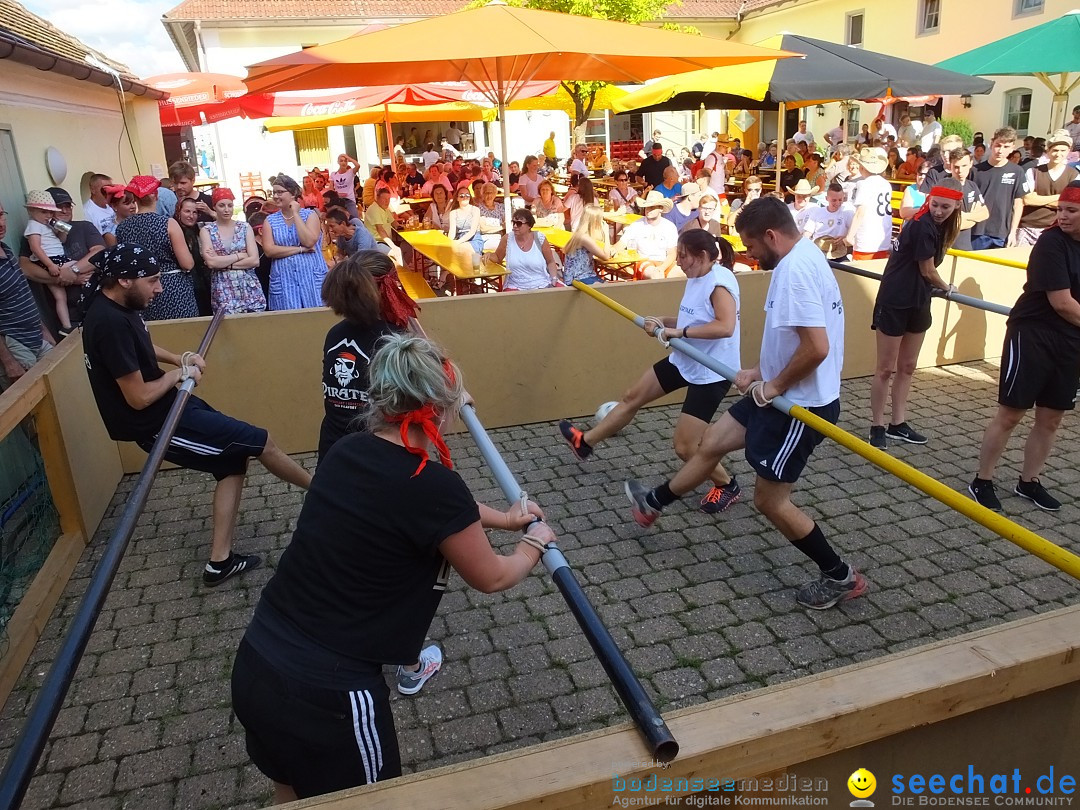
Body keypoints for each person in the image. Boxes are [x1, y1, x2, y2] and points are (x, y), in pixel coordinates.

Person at [233, 332, 554, 803]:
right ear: (438, 410)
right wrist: (533, 543)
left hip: (258, 662)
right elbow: (493, 576)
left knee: (296, 792)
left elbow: (441, 507)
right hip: (328, 695)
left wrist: (506, 518)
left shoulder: (350, 451)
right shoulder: (431, 484)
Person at [624, 196, 864, 610]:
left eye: (752, 246)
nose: (749, 255)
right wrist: (759, 372)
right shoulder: (802, 256)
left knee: (770, 502)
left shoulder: (795, 272)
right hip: (776, 390)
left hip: (799, 407)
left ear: (771, 235)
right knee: (712, 442)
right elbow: (797, 341)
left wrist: (774, 387)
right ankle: (654, 503)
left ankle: (840, 575)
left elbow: (817, 348)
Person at [81, 243, 312, 585]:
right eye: (154, 280)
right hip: (156, 423)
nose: (160, 287)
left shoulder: (119, 306)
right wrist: (179, 375)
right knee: (260, 441)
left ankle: (219, 562)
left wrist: (178, 359)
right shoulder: (108, 323)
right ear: (125, 280)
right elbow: (139, 398)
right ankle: (325, 493)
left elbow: (141, 343)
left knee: (232, 460)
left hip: (171, 406)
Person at [563, 227, 743, 506]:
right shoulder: (697, 275)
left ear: (704, 255)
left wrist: (678, 334)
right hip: (685, 359)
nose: (679, 262)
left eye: (683, 257)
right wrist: (664, 321)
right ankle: (584, 443)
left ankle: (727, 485)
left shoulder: (719, 283)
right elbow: (693, 319)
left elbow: (725, 326)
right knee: (632, 397)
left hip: (711, 372)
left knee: (685, 447)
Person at [969, 182, 1080, 513]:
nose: (1062, 216)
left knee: (1051, 417)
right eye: (1060, 209)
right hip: (1033, 334)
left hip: (1072, 339)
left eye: (1071, 211)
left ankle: (1029, 481)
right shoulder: (1050, 242)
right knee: (1011, 413)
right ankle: (982, 480)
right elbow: (1061, 303)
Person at [868, 180, 964, 450]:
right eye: (935, 204)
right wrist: (948, 288)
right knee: (885, 368)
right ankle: (876, 424)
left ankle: (897, 423)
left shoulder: (939, 227)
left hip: (917, 301)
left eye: (945, 206)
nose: (938, 211)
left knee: (908, 366)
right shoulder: (922, 225)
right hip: (895, 300)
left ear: (957, 205)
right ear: (928, 200)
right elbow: (928, 271)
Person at [316, 251, 397, 462]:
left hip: (333, 449)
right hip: (376, 455)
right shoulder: (394, 340)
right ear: (384, 289)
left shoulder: (335, 334)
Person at [114, 176, 198, 321]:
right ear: (156, 195)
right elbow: (187, 263)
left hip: (140, 290)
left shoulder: (122, 228)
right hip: (172, 288)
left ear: (134, 198)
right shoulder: (168, 223)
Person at [0, 201, 52, 389]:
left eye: (1, 214)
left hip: (37, 337)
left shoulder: (5, 248)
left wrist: (44, 330)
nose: (1, 223)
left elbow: (22, 295)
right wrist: (8, 362)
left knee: (57, 385)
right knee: (34, 405)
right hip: (14, 344)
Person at [261, 174, 326, 311]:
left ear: (292, 194)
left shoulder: (309, 215)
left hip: (310, 279)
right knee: (289, 321)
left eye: (280, 192)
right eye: (274, 192)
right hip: (285, 280)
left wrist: (295, 214)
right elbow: (269, 250)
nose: (276, 196)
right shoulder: (270, 221)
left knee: (315, 317)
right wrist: (299, 249)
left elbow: (308, 241)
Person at [199, 187, 265, 315]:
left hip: (248, 286)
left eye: (230, 205)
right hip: (223, 288)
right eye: (221, 205)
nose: (226, 209)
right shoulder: (207, 230)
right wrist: (240, 255)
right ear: (214, 207)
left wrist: (223, 263)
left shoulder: (244, 227)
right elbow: (212, 263)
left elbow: (255, 260)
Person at [22, 190, 73, 333]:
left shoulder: (45, 225)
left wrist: (60, 227)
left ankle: (66, 326)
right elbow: (35, 247)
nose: (48, 216)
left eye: (50, 212)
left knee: (60, 296)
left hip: (55, 259)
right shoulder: (33, 225)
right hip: (51, 259)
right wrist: (50, 265)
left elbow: (62, 240)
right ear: (31, 211)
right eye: (44, 212)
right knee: (81, 266)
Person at [1018, 129, 1079, 246]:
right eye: (1055, 150)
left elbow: (1073, 204)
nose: (1058, 154)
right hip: (1028, 226)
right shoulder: (1033, 171)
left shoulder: (1075, 175)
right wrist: (1060, 197)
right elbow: (1028, 199)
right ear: (1048, 151)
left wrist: (1039, 199)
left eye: (1063, 150)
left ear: (1069, 151)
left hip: (1056, 228)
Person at [972, 127, 1026, 250]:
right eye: (998, 145)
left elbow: (1018, 204)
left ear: (1012, 148)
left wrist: (1013, 233)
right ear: (991, 144)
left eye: (1006, 147)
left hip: (1002, 233)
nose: (1000, 150)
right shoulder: (975, 171)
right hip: (977, 231)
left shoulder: (1017, 171)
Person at [615, 191, 679, 279]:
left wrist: (662, 268)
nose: (648, 210)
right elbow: (621, 244)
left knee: (683, 275)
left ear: (660, 208)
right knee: (655, 275)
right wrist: (612, 250)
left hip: (664, 262)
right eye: (646, 207)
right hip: (643, 261)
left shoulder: (669, 226)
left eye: (652, 207)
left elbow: (672, 253)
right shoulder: (637, 225)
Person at [492, 209, 560, 291]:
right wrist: (488, 255)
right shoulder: (507, 238)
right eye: (513, 222)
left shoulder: (539, 238)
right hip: (515, 285)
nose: (515, 226)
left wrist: (554, 278)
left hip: (541, 284)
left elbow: (550, 261)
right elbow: (497, 257)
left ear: (529, 226)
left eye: (519, 224)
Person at [845, 148, 894, 261]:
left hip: (866, 238)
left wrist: (849, 236)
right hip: (883, 236)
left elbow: (860, 212)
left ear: (862, 167)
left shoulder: (863, 184)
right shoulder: (886, 184)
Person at [175, 198, 213, 317]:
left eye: (195, 212)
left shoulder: (202, 228)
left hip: (205, 283)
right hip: (186, 284)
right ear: (178, 212)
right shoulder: (174, 231)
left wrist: (210, 212)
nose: (191, 216)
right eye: (187, 211)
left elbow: (227, 223)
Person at [562, 204, 614, 286]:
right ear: (596, 221)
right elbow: (605, 256)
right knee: (610, 288)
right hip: (578, 279)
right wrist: (606, 233)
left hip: (583, 276)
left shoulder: (581, 234)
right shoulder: (584, 238)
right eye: (602, 219)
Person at [947, 149, 989, 252]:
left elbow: (985, 213)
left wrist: (966, 216)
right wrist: (974, 218)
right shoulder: (945, 186)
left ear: (971, 164)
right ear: (950, 166)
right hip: (947, 247)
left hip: (966, 246)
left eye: (964, 166)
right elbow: (952, 224)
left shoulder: (972, 185)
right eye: (956, 167)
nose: (960, 171)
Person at [802, 183, 853, 260]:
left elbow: (854, 233)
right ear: (826, 198)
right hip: (818, 251)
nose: (837, 203)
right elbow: (807, 233)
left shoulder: (847, 212)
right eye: (834, 200)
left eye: (840, 200)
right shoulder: (817, 211)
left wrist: (846, 237)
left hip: (839, 252)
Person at [447, 188, 485, 260]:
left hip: (474, 239)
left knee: (464, 251)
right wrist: (450, 243)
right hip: (459, 237)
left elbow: (472, 231)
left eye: (467, 195)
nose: (465, 197)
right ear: (457, 198)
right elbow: (452, 231)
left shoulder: (475, 210)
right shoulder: (453, 213)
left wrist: (458, 242)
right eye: (461, 195)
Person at [83, 173, 117, 238]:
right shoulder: (87, 212)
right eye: (104, 189)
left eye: (111, 188)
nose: (108, 192)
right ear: (93, 190)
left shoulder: (113, 204)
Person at [476, 183, 505, 251]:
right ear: (482, 194)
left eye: (491, 192)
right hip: (486, 238)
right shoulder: (479, 208)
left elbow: (507, 221)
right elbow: (483, 228)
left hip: (500, 237)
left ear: (495, 194)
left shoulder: (500, 207)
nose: (489, 195)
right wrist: (502, 227)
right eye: (486, 193)